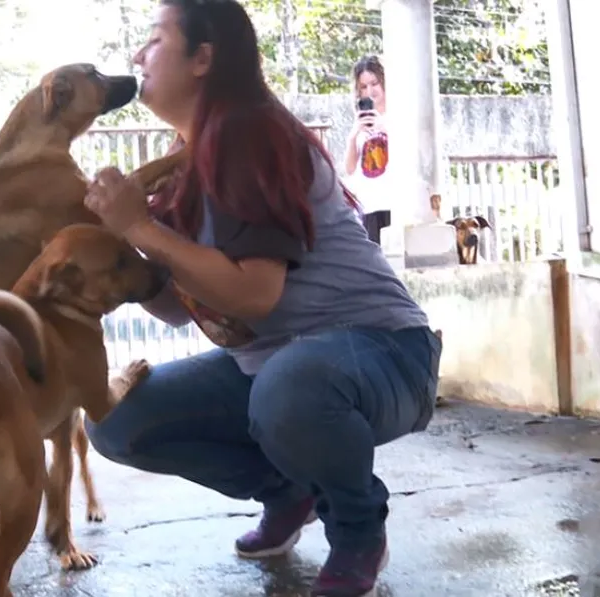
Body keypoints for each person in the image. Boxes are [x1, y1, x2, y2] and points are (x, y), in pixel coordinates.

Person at [82, 1, 441, 596]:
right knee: (115, 416)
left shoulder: (250, 134)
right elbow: (178, 306)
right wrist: (116, 256)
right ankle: (286, 488)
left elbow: (254, 294)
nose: (138, 55)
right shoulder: (182, 164)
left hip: (386, 353)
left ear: (204, 57)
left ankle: (356, 529)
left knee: (288, 388)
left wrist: (139, 231)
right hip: (275, 368)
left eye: (155, 39)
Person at [344, 55, 392, 246]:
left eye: (375, 84)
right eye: (364, 87)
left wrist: (385, 128)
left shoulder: (399, 115)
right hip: (369, 205)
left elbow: (410, 156)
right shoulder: (360, 120)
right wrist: (354, 135)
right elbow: (349, 168)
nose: (370, 91)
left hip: (394, 203)